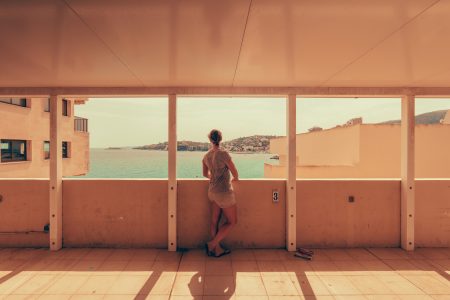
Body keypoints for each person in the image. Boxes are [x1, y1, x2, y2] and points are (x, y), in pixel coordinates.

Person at [202, 129, 239, 257]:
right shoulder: (223, 154)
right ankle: (212, 244)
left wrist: (212, 177)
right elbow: (234, 172)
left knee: (214, 221)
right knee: (232, 221)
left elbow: (204, 174)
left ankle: (217, 250)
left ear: (210, 139)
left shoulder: (206, 156)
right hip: (223, 192)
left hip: (212, 192)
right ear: (221, 138)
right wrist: (235, 178)